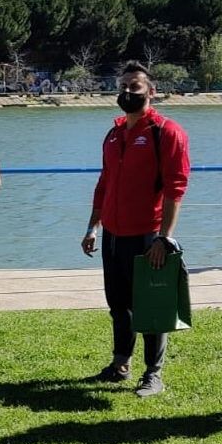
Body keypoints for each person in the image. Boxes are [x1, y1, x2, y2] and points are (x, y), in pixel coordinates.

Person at [82, 62, 191, 397]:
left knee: (152, 308)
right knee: (119, 305)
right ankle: (120, 365)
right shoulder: (114, 133)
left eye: (136, 86)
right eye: (124, 85)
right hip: (114, 234)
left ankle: (153, 374)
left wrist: (165, 238)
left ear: (151, 91)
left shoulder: (166, 131)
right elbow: (104, 184)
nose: (128, 91)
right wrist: (93, 226)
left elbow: (176, 188)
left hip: (148, 236)